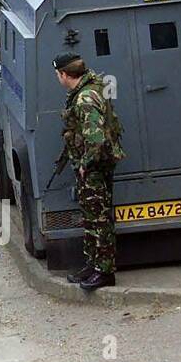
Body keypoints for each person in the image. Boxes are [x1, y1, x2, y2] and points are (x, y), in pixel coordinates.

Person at [53, 52, 125, 291]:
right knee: (92, 217)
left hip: (94, 167)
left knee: (98, 218)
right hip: (96, 164)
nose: (58, 78)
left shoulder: (84, 98)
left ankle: (104, 271)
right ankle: (94, 265)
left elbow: (96, 138)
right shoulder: (91, 86)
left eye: (58, 74)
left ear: (64, 74)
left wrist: (85, 164)